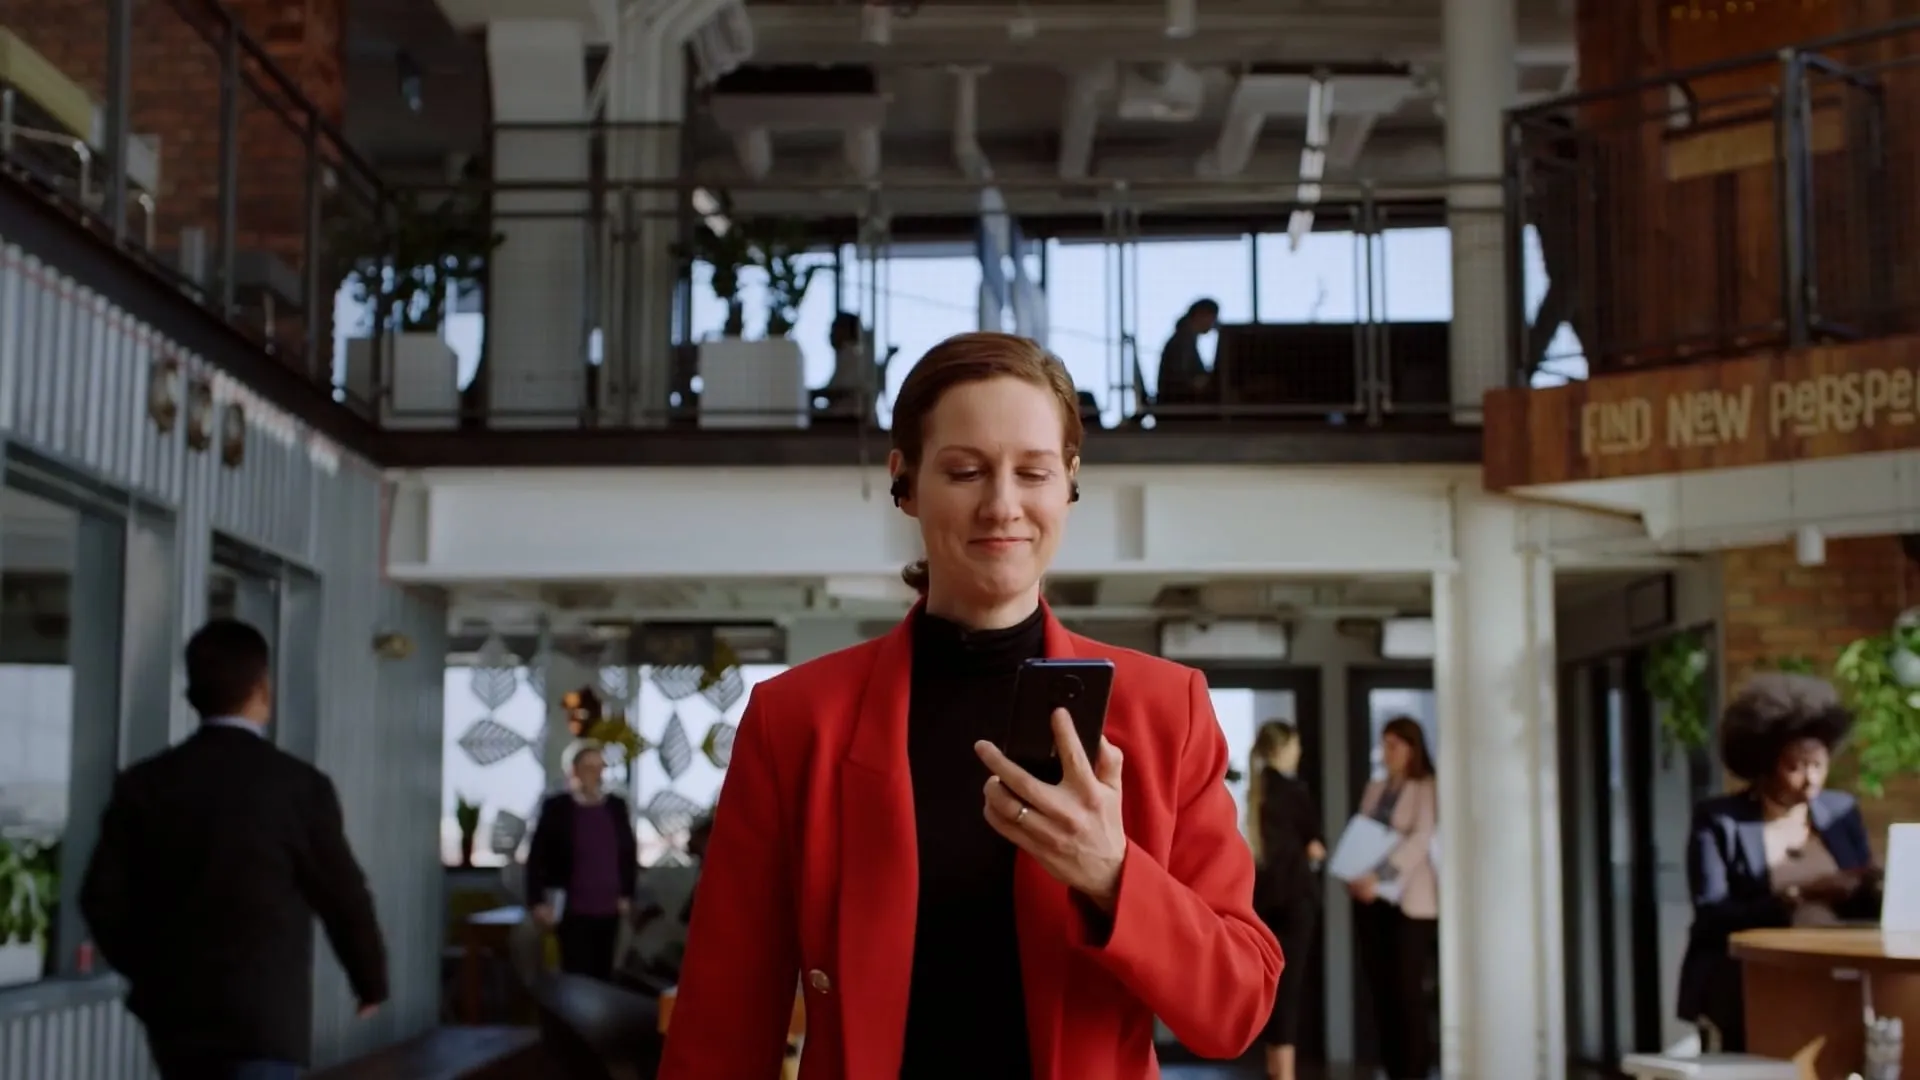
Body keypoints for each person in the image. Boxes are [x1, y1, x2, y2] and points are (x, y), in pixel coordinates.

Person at [659, 331, 1281, 1080]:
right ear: (905, 482)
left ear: (1069, 484)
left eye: (1034, 472)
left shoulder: (1164, 711)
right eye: (965, 471)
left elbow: (1235, 1011)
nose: (1001, 505)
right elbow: (721, 1027)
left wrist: (1113, 874)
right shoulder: (796, 720)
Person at [79, 619, 388, 1080]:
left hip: (177, 1021)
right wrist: (369, 981)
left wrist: (152, 972)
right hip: (266, 1020)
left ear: (192, 693)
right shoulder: (298, 787)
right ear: (262, 688)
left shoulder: (144, 784)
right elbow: (343, 895)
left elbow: (99, 897)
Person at [1676, 673, 1881, 1052]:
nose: (1811, 779)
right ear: (1765, 764)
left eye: (1819, 765)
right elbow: (1712, 914)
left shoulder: (1841, 811)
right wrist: (1797, 895)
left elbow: (1865, 902)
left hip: (1837, 979)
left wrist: (1872, 882)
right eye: (1796, 767)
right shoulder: (1720, 821)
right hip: (1749, 981)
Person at [1349, 716, 1438, 1080]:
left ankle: (1414, 1071)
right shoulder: (1375, 787)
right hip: (1373, 901)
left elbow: (1420, 838)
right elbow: (1361, 832)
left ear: (1412, 749)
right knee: (1381, 989)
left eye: (1394, 745)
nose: (1387, 752)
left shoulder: (1426, 787)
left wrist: (1381, 874)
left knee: (1406, 990)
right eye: (1384, 744)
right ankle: (1392, 1068)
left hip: (1410, 901)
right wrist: (1355, 875)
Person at [525, 735, 639, 982]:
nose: (595, 774)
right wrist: (537, 902)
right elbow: (536, 858)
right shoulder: (557, 808)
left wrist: (627, 895)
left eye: (600, 767)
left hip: (610, 908)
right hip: (572, 909)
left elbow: (628, 854)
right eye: (589, 767)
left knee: (604, 975)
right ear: (574, 771)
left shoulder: (616, 807)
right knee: (575, 975)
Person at [1248, 720, 1326, 1080]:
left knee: (1273, 986)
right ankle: (1285, 1075)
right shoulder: (1294, 791)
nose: (1300, 752)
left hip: (1263, 901)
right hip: (1296, 900)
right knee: (1290, 989)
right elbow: (1315, 846)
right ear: (1283, 749)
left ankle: (1274, 1069)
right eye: (1296, 745)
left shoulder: (1256, 791)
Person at [1153, 298, 1218, 408]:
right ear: (1200, 315)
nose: (1214, 323)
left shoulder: (1184, 338)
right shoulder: (1182, 341)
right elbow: (1183, 379)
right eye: (1212, 317)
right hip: (1179, 403)